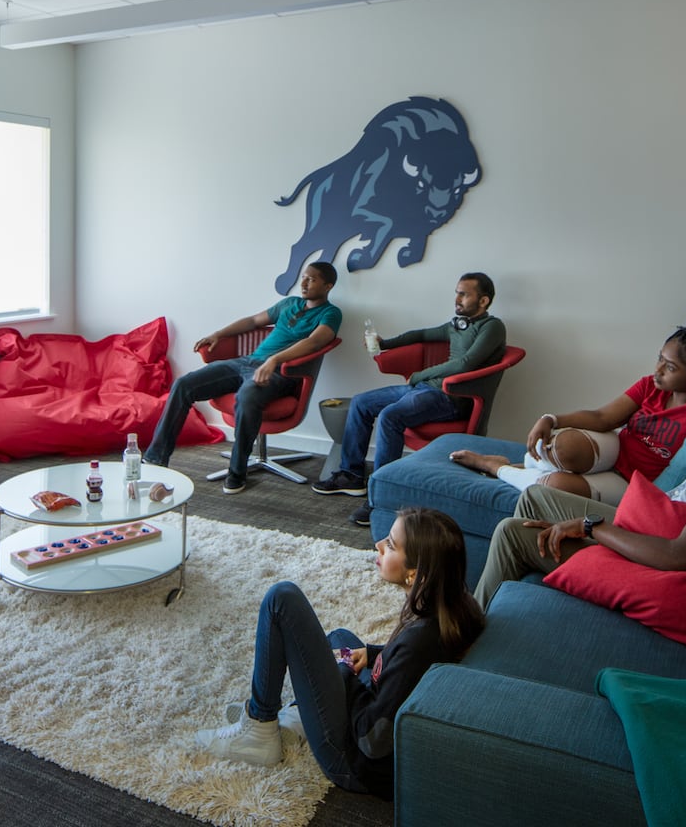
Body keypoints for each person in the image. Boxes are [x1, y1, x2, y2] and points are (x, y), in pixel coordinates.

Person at [472, 325, 686, 609]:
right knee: (536, 499)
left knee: (511, 533)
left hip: (660, 557)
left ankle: (468, 626)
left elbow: (681, 556)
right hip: (654, 519)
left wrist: (590, 526)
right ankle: (515, 601)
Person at [194, 508, 483, 799]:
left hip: (353, 760)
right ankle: (294, 719)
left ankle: (258, 729)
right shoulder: (452, 608)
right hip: (375, 703)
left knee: (281, 600)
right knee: (339, 639)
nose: (379, 544)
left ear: (415, 572)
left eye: (392, 545)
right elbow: (409, 667)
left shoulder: (419, 643)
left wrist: (344, 675)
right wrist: (370, 655)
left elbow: (373, 741)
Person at [449, 313, 686, 503]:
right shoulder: (650, 385)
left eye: (670, 367)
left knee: (553, 488)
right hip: (618, 450)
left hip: (634, 484)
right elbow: (602, 417)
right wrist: (551, 418)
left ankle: (496, 466)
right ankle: (529, 463)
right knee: (565, 446)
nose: (658, 369)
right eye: (659, 358)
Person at [313, 273, 505, 527]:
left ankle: (381, 496)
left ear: (483, 301)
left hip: (452, 397)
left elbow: (465, 363)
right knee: (361, 402)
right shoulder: (457, 324)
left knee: (391, 416)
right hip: (425, 389)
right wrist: (385, 343)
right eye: (456, 292)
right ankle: (351, 474)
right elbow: (423, 334)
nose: (456, 299)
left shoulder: (493, 327)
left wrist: (419, 375)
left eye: (464, 294)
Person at [143, 262, 342, 494]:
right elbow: (252, 322)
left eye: (313, 279)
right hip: (246, 362)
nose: (304, 283)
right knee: (183, 385)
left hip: (281, 372)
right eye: (304, 277)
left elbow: (315, 341)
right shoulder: (290, 303)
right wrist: (217, 334)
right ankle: (156, 458)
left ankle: (237, 472)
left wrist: (274, 360)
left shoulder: (331, 313)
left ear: (328, 286)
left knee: (247, 396)